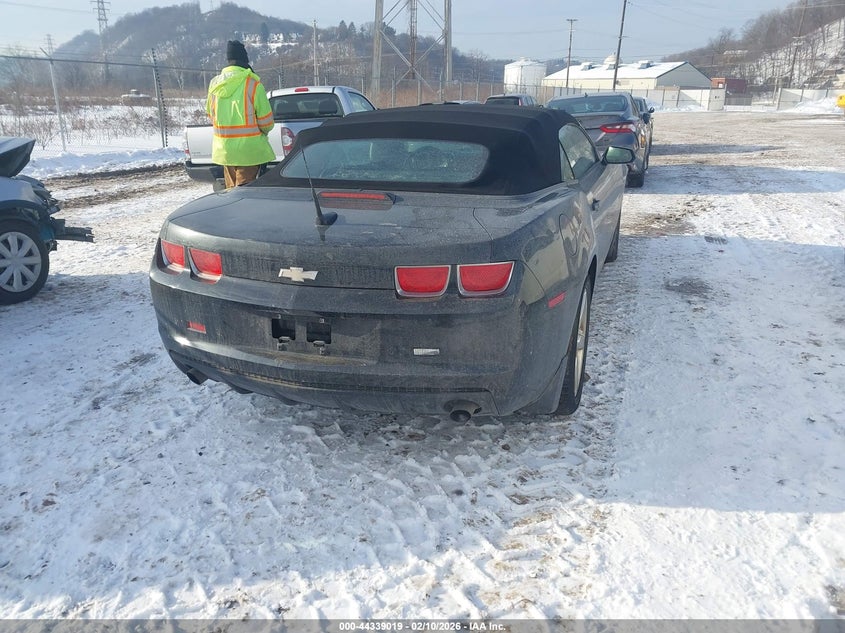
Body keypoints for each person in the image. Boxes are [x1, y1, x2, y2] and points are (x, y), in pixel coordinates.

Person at [206, 40, 275, 188]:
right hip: (249, 151)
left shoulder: (214, 84)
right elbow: (267, 123)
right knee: (245, 194)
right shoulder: (253, 84)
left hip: (224, 150)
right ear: (245, 59)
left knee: (231, 193)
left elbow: (211, 114)